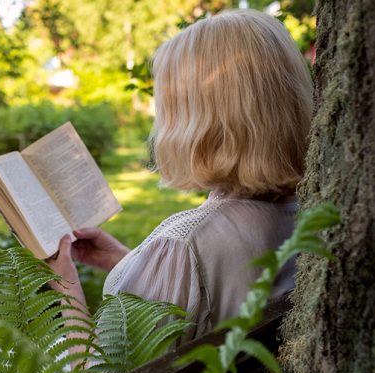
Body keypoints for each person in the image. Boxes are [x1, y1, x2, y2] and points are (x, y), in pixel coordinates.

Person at [47, 9, 313, 343]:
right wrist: (122, 259)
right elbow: (214, 284)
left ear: (195, 121)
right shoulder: (308, 214)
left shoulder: (185, 242)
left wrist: (65, 289)